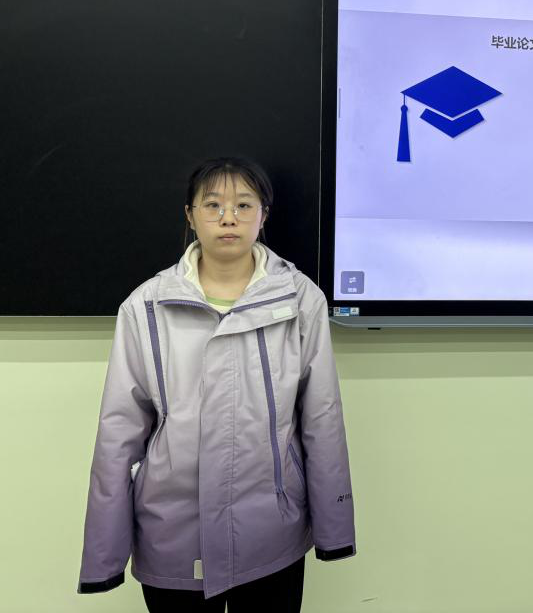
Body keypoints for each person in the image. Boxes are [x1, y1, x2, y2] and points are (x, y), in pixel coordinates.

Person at [77, 157, 355, 612]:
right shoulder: (146, 307)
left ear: (263, 215)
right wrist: (103, 557)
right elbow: (117, 435)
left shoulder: (300, 300)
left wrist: (334, 529)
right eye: (213, 205)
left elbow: (322, 420)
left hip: (271, 534)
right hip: (172, 532)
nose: (229, 217)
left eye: (244, 205)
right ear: (190, 216)